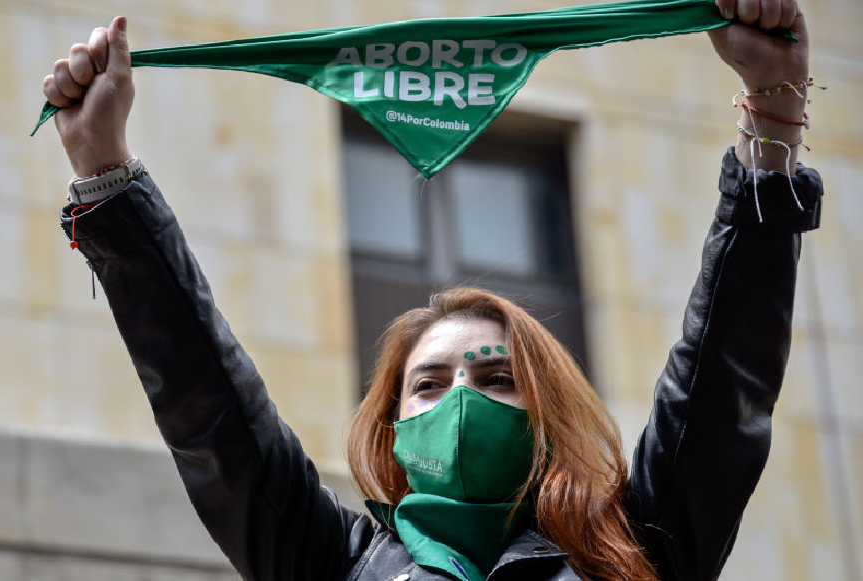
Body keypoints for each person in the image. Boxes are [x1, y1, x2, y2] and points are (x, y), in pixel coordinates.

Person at [40, 0, 822, 579]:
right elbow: (207, 407)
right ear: (391, 424)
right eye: (429, 382)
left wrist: (776, 113)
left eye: (497, 377)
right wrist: (105, 173)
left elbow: (722, 379)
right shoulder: (326, 561)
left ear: (545, 411)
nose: (460, 399)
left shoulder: (638, 543)